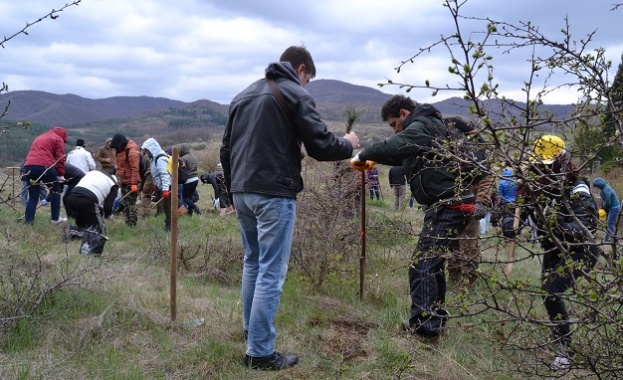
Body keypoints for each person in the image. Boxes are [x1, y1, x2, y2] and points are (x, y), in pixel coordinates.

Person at [220, 45, 360, 371]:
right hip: (274, 193)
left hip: (242, 191)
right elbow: (320, 145)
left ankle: (251, 332)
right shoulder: (295, 93)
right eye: (308, 79)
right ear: (300, 70)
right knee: (271, 270)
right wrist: (349, 144)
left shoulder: (242, 95)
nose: (306, 85)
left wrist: (234, 188)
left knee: (253, 264)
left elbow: (226, 149)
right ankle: (260, 353)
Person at [351, 95, 474, 339]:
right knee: (432, 264)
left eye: (394, 124)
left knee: (423, 265)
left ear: (404, 113)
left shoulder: (422, 125)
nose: (395, 130)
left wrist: (363, 154)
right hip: (450, 204)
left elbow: (399, 145)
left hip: (449, 205)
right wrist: (375, 158)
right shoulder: (427, 127)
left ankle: (425, 329)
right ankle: (433, 322)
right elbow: (401, 154)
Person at [519, 135, 602, 368]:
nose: (543, 169)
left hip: (580, 251)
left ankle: (565, 350)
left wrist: (560, 227)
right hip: (554, 250)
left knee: (553, 289)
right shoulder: (539, 188)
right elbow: (522, 212)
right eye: (541, 165)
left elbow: (587, 223)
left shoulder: (577, 188)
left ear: (562, 161)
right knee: (548, 293)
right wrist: (507, 221)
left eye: (548, 165)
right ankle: (560, 335)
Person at [442, 116, 495, 286]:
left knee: (469, 244)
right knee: (451, 244)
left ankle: (470, 281)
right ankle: (455, 279)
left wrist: (481, 201)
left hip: (470, 203)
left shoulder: (475, 149)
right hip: (450, 203)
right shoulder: (443, 148)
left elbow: (486, 177)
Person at [22, 127, 68, 225]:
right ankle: (55, 219)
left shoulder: (40, 137)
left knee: (33, 196)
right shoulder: (58, 138)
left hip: (29, 167)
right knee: (55, 191)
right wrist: (60, 174)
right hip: (45, 167)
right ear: (63, 136)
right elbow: (60, 157)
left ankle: (28, 222)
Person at [64, 170, 118, 236]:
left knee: (85, 227)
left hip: (71, 198)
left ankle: (77, 231)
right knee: (99, 234)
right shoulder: (114, 185)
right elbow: (108, 207)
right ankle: (71, 230)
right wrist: (108, 215)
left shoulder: (94, 172)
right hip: (87, 201)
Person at [141, 138, 172, 231]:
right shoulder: (153, 159)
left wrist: (166, 189)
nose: (146, 153)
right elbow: (155, 174)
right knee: (166, 207)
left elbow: (164, 174)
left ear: (152, 149)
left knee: (168, 207)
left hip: (167, 187)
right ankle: (169, 225)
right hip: (161, 187)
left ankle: (170, 226)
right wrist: (155, 185)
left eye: (147, 150)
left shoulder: (160, 159)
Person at [110, 133, 141, 226]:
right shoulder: (121, 151)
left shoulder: (131, 151)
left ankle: (132, 223)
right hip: (124, 181)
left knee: (131, 203)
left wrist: (134, 184)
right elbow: (120, 167)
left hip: (131, 182)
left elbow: (135, 168)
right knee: (125, 203)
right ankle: (128, 222)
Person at [592, 177, 620, 243]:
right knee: (609, 224)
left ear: (599, 185)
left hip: (614, 208)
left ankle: (616, 241)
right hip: (611, 207)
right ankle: (607, 240)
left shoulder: (606, 190)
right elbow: (604, 199)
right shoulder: (605, 188)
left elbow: (608, 202)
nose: (596, 188)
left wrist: (603, 208)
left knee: (610, 224)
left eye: (596, 186)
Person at [178, 144, 201, 216]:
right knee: (190, 198)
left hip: (188, 180)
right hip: (196, 179)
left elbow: (181, 171)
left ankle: (197, 209)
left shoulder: (183, 159)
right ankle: (190, 214)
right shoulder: (193, 157)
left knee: (185, 198)